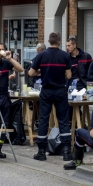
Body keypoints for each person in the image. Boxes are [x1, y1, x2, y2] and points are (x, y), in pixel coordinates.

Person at [29, 32, 72, 161]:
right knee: (63, 120)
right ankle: (66, 152)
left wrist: (41, 70)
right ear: (59, 42)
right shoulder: (65, 56)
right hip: (60, 90)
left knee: (43, 120)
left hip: (46, 91)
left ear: (48, 41)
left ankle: (41, 152)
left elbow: (31, 73)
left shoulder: (41, 55)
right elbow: (69, 76)